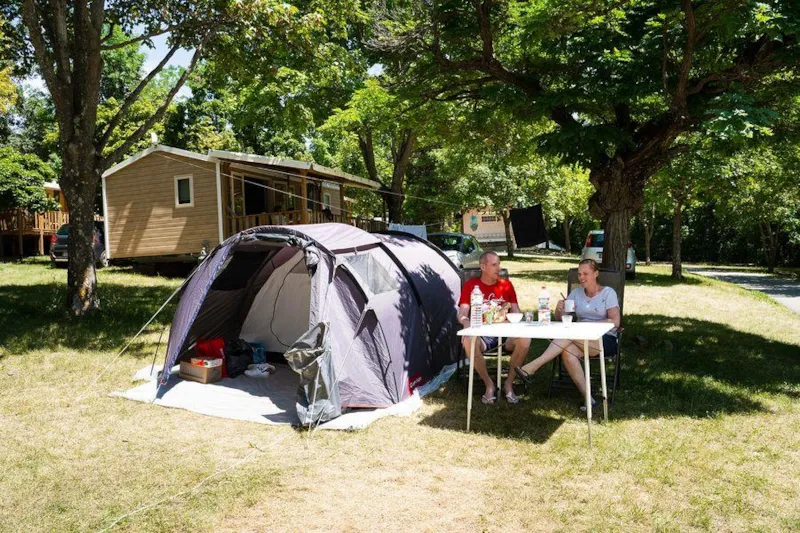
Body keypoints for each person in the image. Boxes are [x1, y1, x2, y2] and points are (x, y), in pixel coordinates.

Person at [515, 258, 620, 409]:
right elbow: (560, 319)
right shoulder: (576, 293)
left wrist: (585, 327)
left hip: (604, 339)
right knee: (567, 352)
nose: (581, 277)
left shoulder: (608, 293)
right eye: (579, 274)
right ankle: (589, 399)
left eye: (586, 274)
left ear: (596, 274)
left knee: (569, 334)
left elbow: (615, 322)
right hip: (579, 337)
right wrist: (559, 309)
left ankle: (533, 366)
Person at [458, 251, 531, 404]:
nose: (498, 268)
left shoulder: (506, 285)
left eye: (499, 264)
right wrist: (466, 324)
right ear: (483, 266)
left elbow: (516, 311)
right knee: (469, 341)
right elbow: (462, 314)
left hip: (506, 333)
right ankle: (489, 384)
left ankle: (508, 384)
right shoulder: (471, 286)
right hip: (483, 334)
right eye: (494, 265)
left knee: (525, 340)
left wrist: (517, 319)